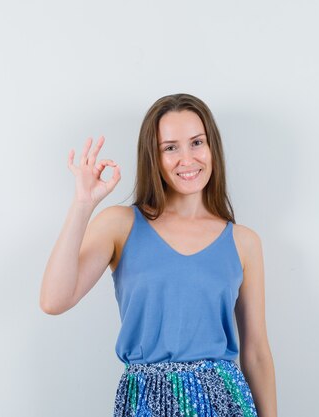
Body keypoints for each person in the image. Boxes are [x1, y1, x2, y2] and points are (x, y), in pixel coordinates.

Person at [39, 93, 277, 417]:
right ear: (154, 156)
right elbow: (54, 300)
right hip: (146, 403)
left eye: (196, 142)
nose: (187, 158)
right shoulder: (120, 224)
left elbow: (256, 353)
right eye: (170, 147)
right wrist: (82, 205)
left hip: (225, 401)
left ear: (212, 148)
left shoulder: (243, 242)